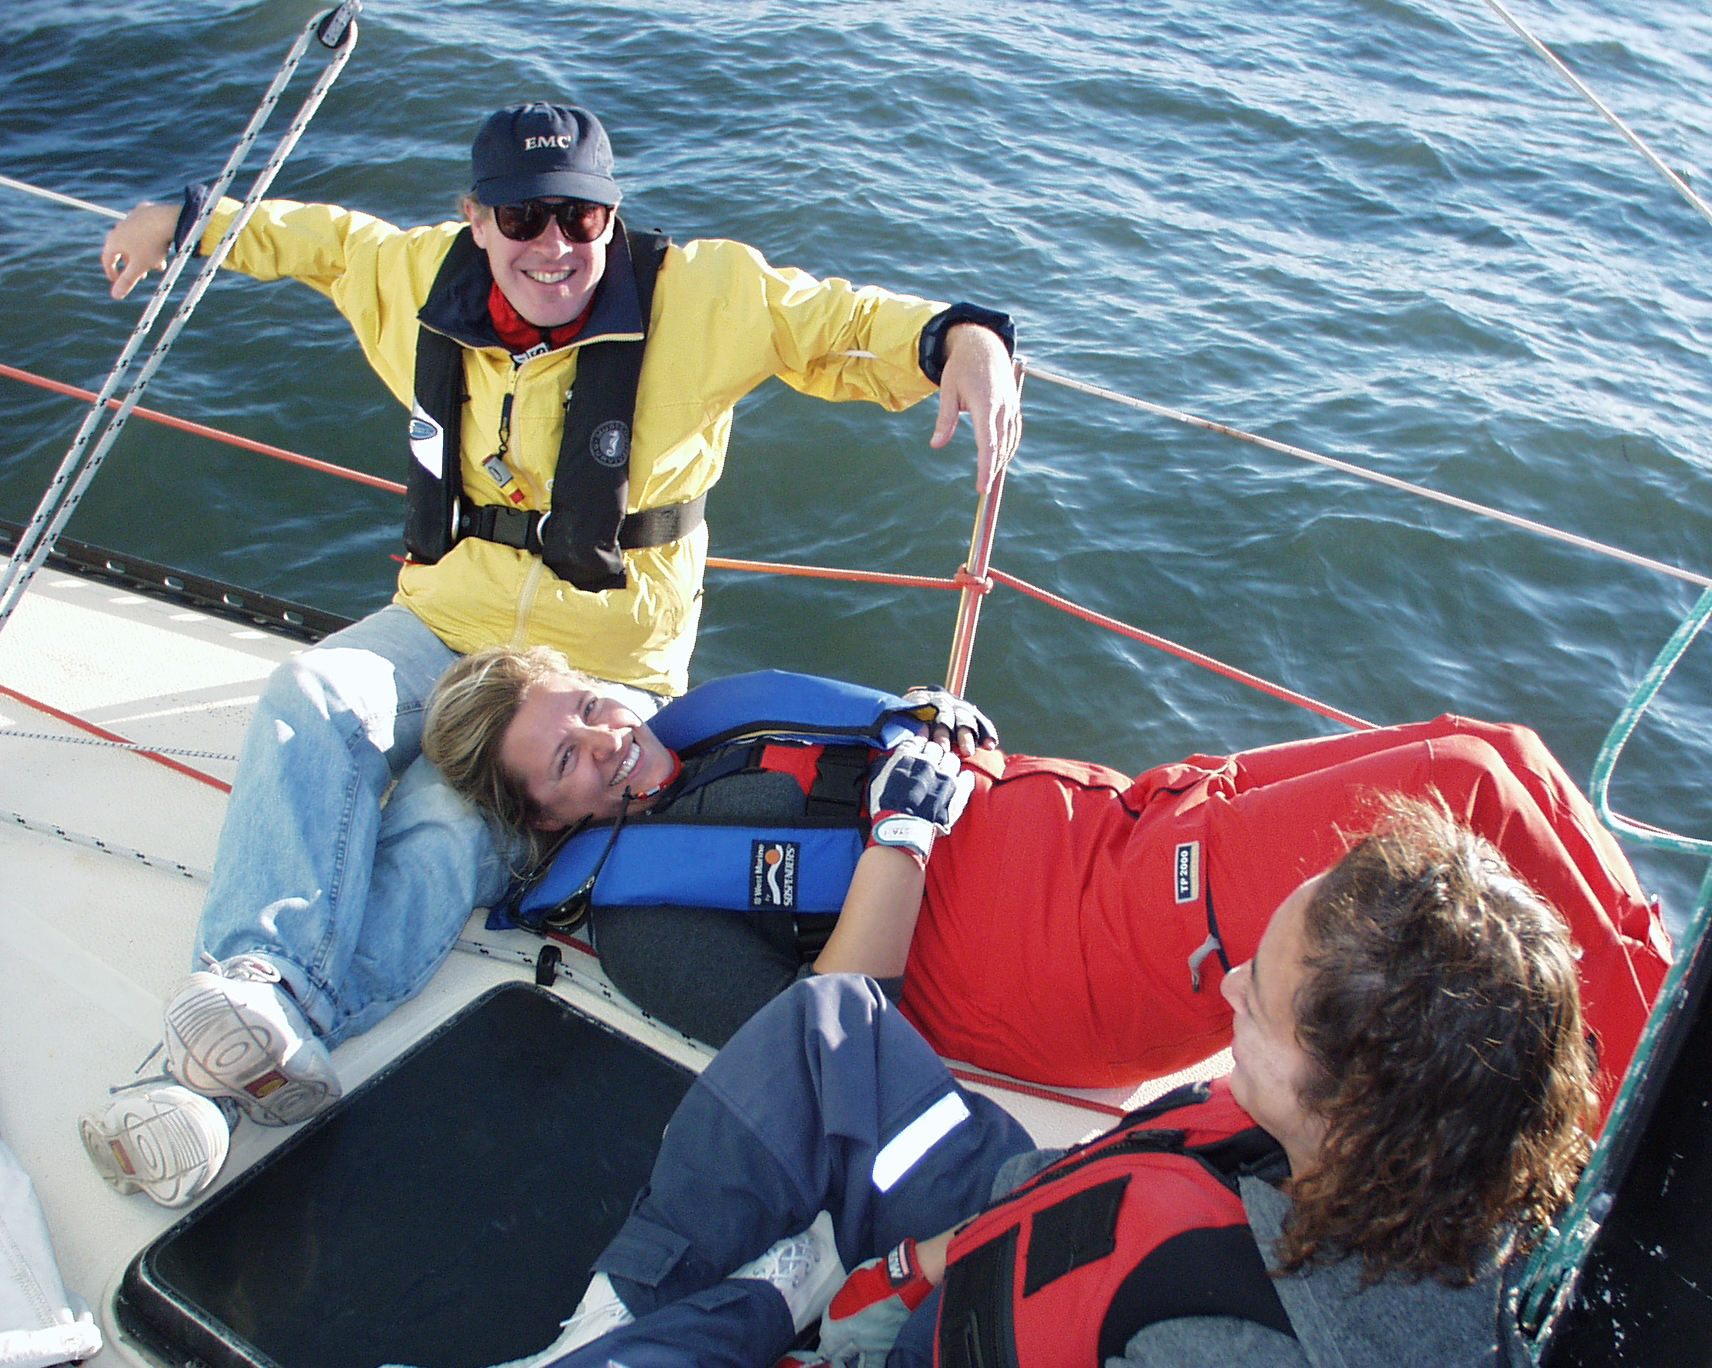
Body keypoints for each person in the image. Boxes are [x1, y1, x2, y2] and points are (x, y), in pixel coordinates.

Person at [92, 103, 1022, 1130]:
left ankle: (242, 1058)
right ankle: (260, 988)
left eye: (580, 218)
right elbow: (312, 241)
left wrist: (960, 337)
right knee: (309, 691)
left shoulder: (704, 294)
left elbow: (837, 325)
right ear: (475, 219)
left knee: (453, 815)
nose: (553, 245)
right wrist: (185, 218)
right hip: (445, 622)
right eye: (522, 216)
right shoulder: (415, 276)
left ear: (610, 217)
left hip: (602, 666)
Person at [473, 802, 1599, 1367]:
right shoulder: (1385, 1162)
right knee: (831, 1024)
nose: (1230, 983)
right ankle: (644, 1302)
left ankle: (722, 1318)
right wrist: (921, 1257)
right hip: (1014, 1221)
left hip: (970, 1334)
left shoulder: (1227, 1347)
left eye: (1261, 996)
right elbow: (1099, 1199)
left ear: (1350, 1106)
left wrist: (890, 1316)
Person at [421, 647, 1670, 1111]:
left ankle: (1661, 1000)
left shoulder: (713, 731)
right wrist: (903, 839)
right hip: (1068, 957)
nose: (604, 738)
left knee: (1494, 750)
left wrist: (932, 728)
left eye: (586, 705)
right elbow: (821, 1055)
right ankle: (1654, 1126)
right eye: (565, 761)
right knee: (1457, 790)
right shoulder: (645, 920)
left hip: (1126, 824)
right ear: (543, 820)